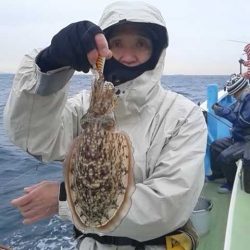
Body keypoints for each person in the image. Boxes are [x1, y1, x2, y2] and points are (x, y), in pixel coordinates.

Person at [4, 1, 207, 249]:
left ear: (156, 51)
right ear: (103, 48)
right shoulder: (83, 106)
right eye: (117, 43)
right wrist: (49, 66)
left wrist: (64, 199)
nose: (127, 56)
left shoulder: (184, 116)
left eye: (141, 44)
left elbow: (169, 206)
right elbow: (33, 138)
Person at [208, 74, 250, 193]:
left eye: (234, 94)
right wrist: (219, 108)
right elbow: (232, 110)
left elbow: (243, 121)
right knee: (215, 145)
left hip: (247, 141)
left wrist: (223, 112)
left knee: (225, 157)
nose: (234, 97)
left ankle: (230, 184)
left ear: (240, 90)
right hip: (238, 138)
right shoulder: (241, 99)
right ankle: (218, 174)